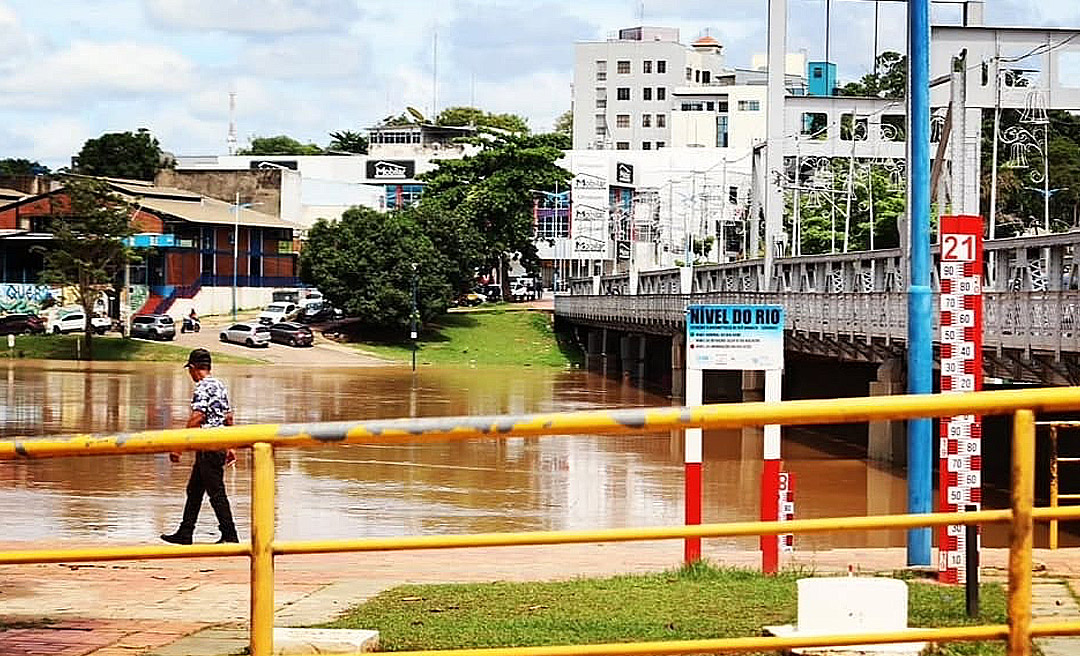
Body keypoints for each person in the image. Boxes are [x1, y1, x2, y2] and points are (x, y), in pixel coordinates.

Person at [161, 348, 239, 545]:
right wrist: (230, 446)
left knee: (216, 492)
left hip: (208, 447)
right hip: (218, 445)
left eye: (190, 370)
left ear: (194, 368)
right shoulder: (220, 386)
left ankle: (230, 535)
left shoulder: (202, 387)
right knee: (194, 490)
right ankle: (185, 532)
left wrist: (179, 445)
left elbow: (198, 417)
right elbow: (228, 417)